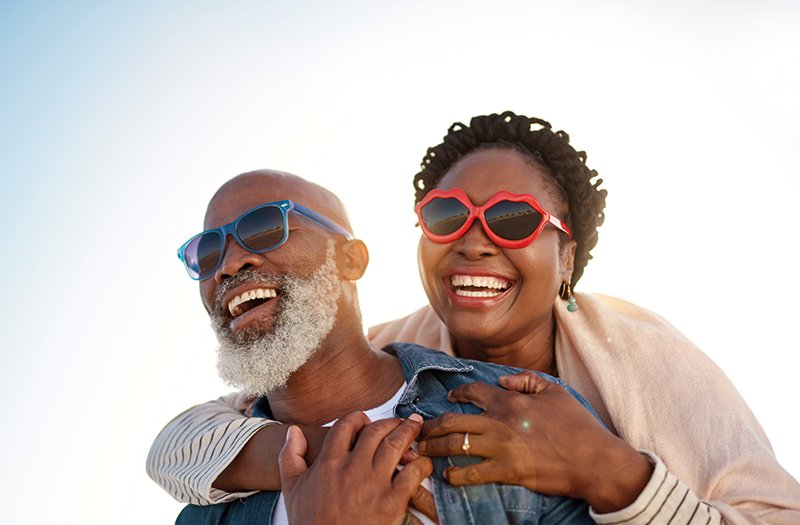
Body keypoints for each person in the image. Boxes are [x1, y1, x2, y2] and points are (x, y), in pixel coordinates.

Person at [148, 113, 800, 524]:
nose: (473, 239)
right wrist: (325, 466)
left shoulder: (637, 356)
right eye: (446, 215)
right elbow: (200, 433)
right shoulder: (391, 350)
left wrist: (608, 471)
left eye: (511, 217)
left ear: (565, 253)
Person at [165, 168, 602, 524]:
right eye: (206, 254)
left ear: (350, 259)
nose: (228, 265)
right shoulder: (207, 508)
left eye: (263, 228)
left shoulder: (519, 413)